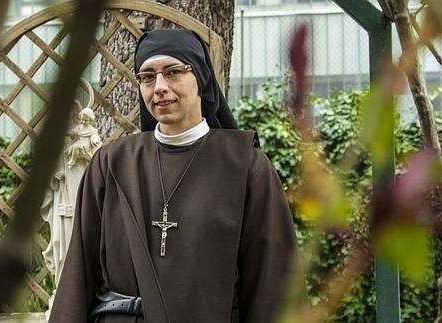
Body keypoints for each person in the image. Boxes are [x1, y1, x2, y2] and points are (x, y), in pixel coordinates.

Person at [48, 29, 298, 323]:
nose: (160, 86)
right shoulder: (111, 162)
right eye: (148, 76)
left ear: (201, 78)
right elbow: (79, 272)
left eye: (173, 72)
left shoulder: (246, 166)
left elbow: (272, 284)